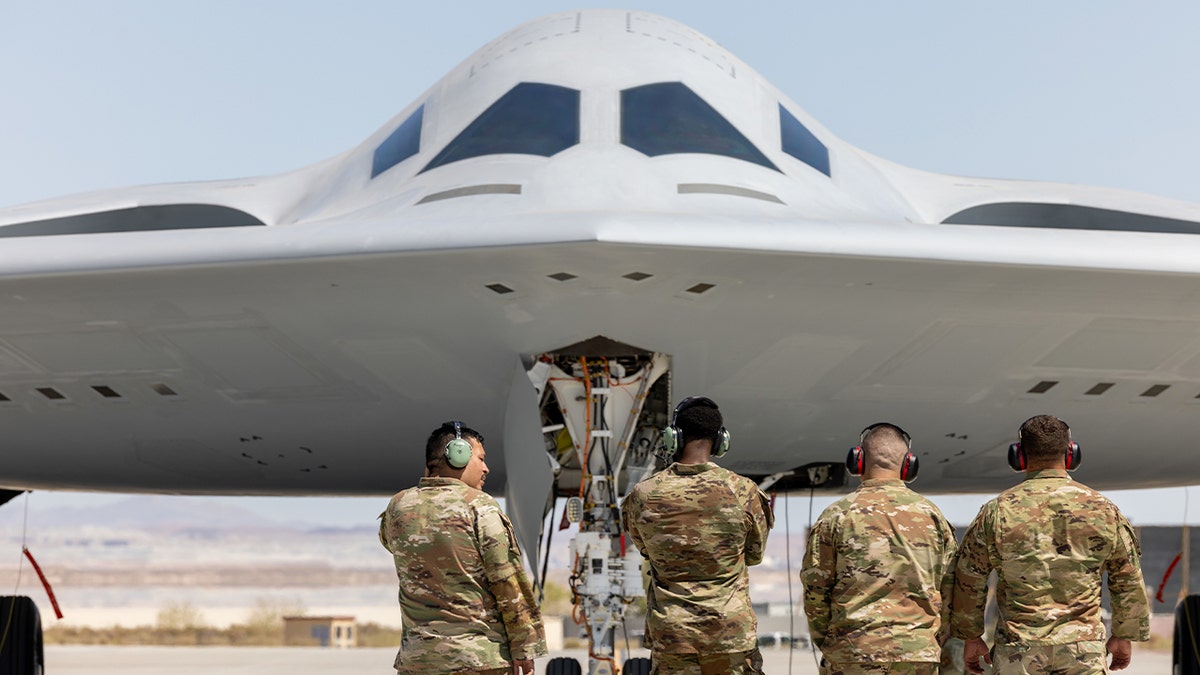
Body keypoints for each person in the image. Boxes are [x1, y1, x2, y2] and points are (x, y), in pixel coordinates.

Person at [949, 414, 1150, 674]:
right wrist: (1124, 635)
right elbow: (1128, 576)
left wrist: (971, 636)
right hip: (1082, 650)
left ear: (1018, 456)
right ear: (1071, 454)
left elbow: (970, 578)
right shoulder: (1104, 510)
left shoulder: (996, 512)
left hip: (1019, 650)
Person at [620, 396, 773, 675]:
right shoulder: (743, 492)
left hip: (672, 638)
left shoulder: (644, 495)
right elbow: (754, 554)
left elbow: (645, 549)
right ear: (720, 441)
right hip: (730, 637)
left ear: (673, 438)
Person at [379, 421, 547, 675]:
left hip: (418, 662)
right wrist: (525, 646)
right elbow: (507, 580)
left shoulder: (398, 505)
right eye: (480, 458)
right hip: (479, 660)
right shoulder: (480, 506)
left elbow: (391, 544)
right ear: (458, 456)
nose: (486, 468)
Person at [799, 422, 957, 675]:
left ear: (857, 461)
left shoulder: (835, 516)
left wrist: (832, 643)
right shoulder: (932, 516)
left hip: (852, 653)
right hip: (917, 654)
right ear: (909, 464)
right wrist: (929, 642)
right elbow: (951, 587)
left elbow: (815, 592)